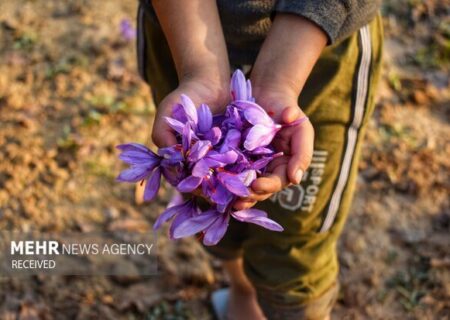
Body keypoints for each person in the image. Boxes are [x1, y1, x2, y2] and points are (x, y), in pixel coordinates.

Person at [136, 1, 383, 319]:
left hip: (318, 45)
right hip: (181, 36)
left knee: (294, 243)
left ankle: (291, 308)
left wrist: (281, 80)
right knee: (208, 198)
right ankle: (243, 290)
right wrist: (200, 72)